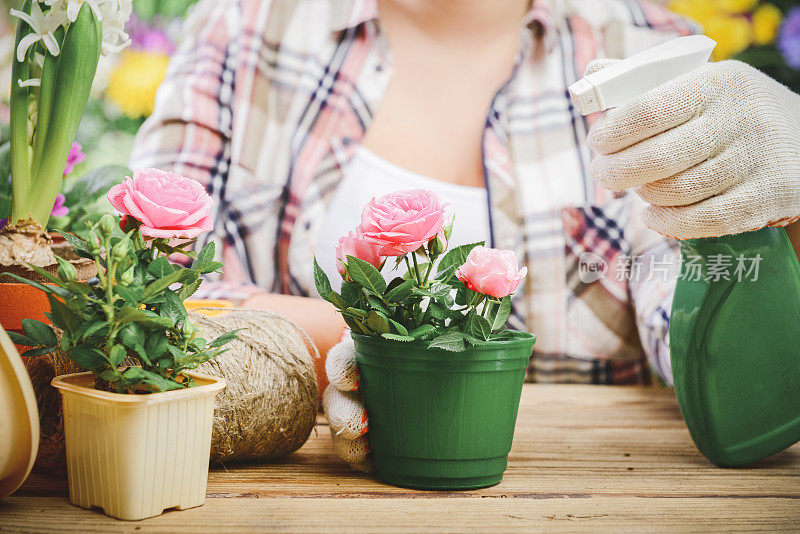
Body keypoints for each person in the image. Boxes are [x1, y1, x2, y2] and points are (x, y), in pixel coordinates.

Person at [131, 0, 800, 470]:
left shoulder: (647, 50)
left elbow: (729, 356)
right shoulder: (247, 27)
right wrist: (363, 348)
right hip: (299, 492)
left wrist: (782, 215)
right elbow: (151, 287)